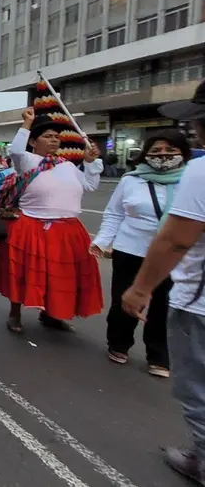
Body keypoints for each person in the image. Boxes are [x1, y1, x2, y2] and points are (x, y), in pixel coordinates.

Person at [121, 81, 205, 482]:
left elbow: (175, 238)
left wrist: (140, 288)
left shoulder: (200, 172)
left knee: (198, 390)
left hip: (198, 303)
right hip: (159, 270)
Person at [0, 107, 103, 333]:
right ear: (33, 142)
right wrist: (27, 123)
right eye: (48, 136)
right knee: (23, 274)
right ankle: (15, 313)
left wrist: (89, 163)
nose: (54, 140)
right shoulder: (28, 161)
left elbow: (90, 185)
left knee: (59, 277)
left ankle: (51, 314)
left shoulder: (67, 165)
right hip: (32, 226)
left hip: (67, 229)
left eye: (56, 137)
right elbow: (16, 151)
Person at [92, 130, 190, 377]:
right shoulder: (131, 180)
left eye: (170, 150)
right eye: (156, 151)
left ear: (183, 153)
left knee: (164, 305)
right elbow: (115, 213)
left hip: (173, 255)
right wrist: (102, 241)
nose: (163, 155)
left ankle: (158, 356)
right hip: (130, 250)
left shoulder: (192, 180)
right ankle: (119, 343)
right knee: (123, 301)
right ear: (145, 155)